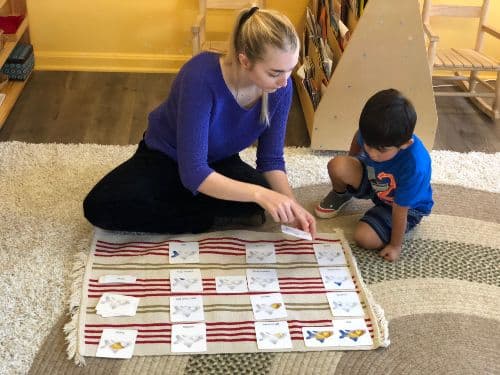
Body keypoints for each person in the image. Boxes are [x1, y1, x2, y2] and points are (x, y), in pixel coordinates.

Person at [83, 7, 316, 237]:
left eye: (290, 70)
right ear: (245, 61)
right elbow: (194, 171)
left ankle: (194, 198)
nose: (285, 82)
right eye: (275, 73)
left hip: (218, 159)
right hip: (166, 155)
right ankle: (199, 214)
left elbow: (270, 159)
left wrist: (290, 204)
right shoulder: (200, 77)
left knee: (267, 201)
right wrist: (257, 194)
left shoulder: (281, 88)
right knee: (100, 206)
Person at [315, 89, 433, 261]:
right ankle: (342, 195)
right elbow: (359, 136)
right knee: (338, 166)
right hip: (376, 181)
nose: (372, 153)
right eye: (369, 145)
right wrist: (353, 160)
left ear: (405, 144)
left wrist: (395, 245)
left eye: (381, 150)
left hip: (405, 207)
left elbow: (400, 210)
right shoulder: (373, 134)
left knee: (364, 237)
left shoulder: (415, 166)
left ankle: (381, 220)